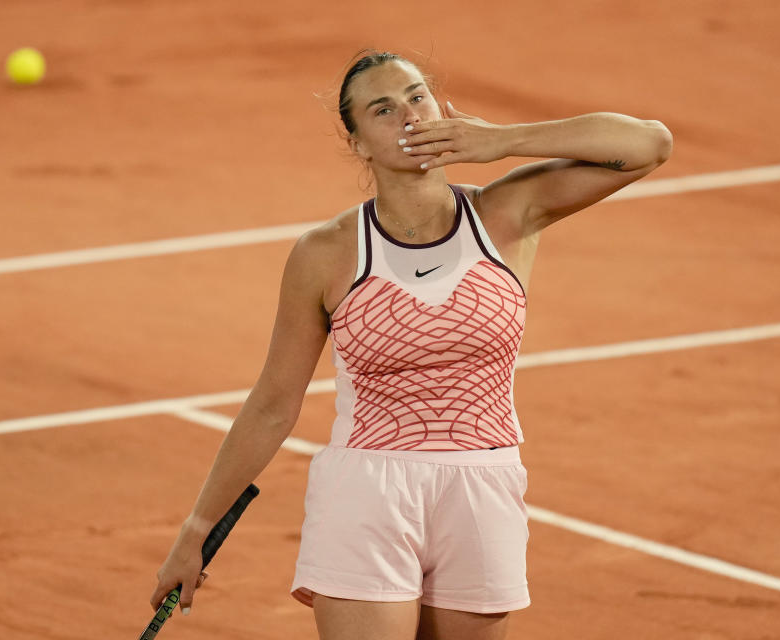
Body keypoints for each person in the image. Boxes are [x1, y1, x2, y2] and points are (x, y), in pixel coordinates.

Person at [150, 50, 672, 640]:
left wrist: (499, 141)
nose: (408, 116)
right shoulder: (326, 252)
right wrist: (195, 532)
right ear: (360, 146)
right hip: (367, 492)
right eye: (383, 109)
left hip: (482, 484)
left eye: (417, 96)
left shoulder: (507, 213)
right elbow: (274, 403)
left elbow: (648, 144)